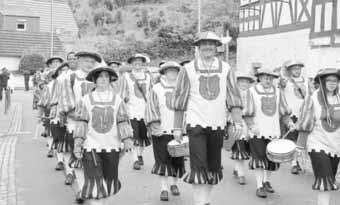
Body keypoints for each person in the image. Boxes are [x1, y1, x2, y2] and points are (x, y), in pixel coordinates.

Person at [171, 31, 243, 205]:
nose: (208, 47)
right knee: (198, 166)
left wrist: (238, 121)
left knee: (213, 166)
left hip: (217, 125)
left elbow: (233, 97)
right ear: (198, 47)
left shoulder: (226, 68)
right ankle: (200, 202)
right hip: (195, 124)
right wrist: (177, 127)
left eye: (211, 43)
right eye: (204, 44)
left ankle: (206, 201)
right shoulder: (187, 69)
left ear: (216, 47)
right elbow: (180, 99)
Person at [73, 66, 133, 204]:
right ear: (94, 80)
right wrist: (78, 144)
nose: (103, 79)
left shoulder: (117, 99)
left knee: (108, 182)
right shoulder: (85, 100)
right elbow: (81, 123)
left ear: (110, 80)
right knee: (95, 184)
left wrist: (127, 139)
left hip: (112, 146)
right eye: (100, 77)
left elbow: (122, 121)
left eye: (106, 77)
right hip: (91, 147)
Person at [56, 51, 102, 202]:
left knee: (94, 158)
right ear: (79, 61)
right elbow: (66, 101)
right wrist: (78, 115)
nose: (89, 64)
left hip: (96, 126)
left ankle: (91, 187)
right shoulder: (69, 77)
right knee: (78, 159)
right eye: (86, 61)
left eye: (92, 62)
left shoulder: (99, 78)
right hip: (75, 124)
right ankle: (82, 189)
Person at [242, 67, 294, 198]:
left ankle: (266, 181)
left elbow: (283, 111)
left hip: (274, 131)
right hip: (257, 131)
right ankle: (259, 186)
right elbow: (247, 112)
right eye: (265, 77)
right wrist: (251, 125)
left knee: (271, 159)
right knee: (259, 157)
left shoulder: (278, 92)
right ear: (259, 77)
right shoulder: (251, 92)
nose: (268, 80)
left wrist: (289, 123)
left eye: (271, 78)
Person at [298, 68, 340, 205]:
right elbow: (305, 123)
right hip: (317, 144)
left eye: (335, 80)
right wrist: (300, 146)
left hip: (336, 145)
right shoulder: (313, 98)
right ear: (322, 81)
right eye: (329, 80)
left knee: (330, 180)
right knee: (325, 179)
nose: (332, 83)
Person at [145, 61, 185, 202]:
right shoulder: (156, 89)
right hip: (162, 130)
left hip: (179, 130)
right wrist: (155, 126)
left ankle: (174, 184)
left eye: (175, 71)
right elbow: (151, 108)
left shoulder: (183, 89)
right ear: (164, 72)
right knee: (162, 159)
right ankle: (164, 188)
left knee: (177, 159)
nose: (172, 73)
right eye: (169, 71)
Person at [280, 60, 314, 175]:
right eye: (294, 69)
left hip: (305, 113)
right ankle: (294, 163)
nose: (297, 71)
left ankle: (302, 161)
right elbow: (281, 84)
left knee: (305, 138)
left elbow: (312, 94)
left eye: (298, 68)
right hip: (292, 114)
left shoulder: (307, 81)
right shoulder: (286, 81)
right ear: (290, 71)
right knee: (293, 139)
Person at [119, 53, 152, 171]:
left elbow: (152, 92)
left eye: (139, 61)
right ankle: (134, 160)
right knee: (133, 135)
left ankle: (140, 154)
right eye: (135, 61)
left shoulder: (148, 76)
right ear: (132, 63)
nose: (137, 63)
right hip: (131, 110)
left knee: (143, 135)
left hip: (145, 110)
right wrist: (124, 102)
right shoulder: (126, 77)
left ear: (142, 63)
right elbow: (122, 94)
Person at [230, 71, 255, 185]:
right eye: (242, 81)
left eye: (247, 82)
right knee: (239, 147)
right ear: (237, 83)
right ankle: (241, 174)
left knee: (245, 148)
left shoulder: (253, 95)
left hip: (249, 123)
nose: (244, 84)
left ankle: (237, 168)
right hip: (236, 122)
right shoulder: (233, 95)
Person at [49, 62, 70, 171]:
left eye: (67, 70)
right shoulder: (56, 83)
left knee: (70, 143)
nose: (64, 72)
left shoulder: (73, 81)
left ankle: (71, 170)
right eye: (62, 70)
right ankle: (60, 161)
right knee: (60, 140)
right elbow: (53, 99)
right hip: (59, 115)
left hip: (72, 116)